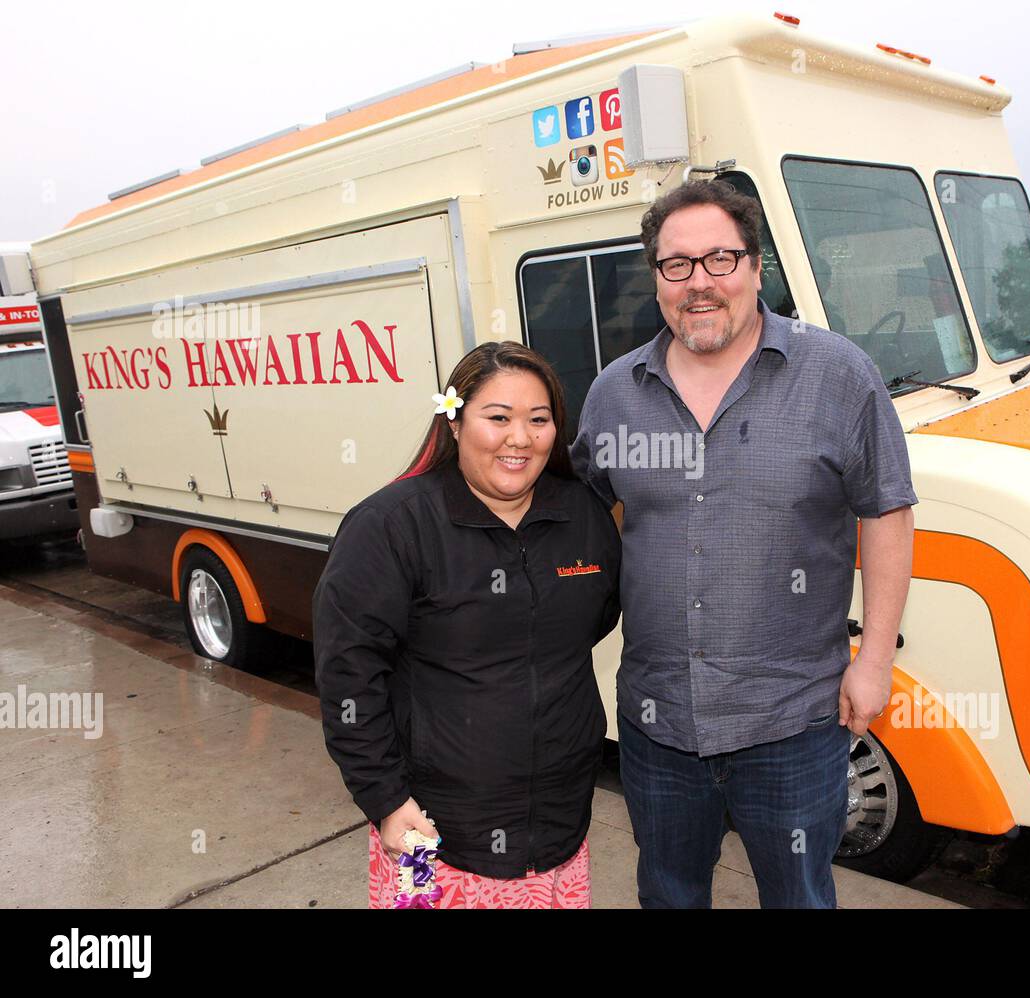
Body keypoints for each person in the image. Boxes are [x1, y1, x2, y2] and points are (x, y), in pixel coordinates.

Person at [571, 180, 917, 908]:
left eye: (720, 259)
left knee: (798, 897)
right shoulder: (614, 393)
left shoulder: (838, 377)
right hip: (658, 724)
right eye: (677, 264)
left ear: (757, 268)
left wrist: (875, 659)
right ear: (657, 278)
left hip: (792, 723)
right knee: (668, 894)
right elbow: (579, 517)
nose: (700, 282)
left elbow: (886, 511)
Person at [313, 341, 621, 908]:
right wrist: (384, 798)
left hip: (559, 828)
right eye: (497, 418)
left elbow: (591, 621)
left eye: (539, 419)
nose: (520, 438)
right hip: (433, 832)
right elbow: (348, 673)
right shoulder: (390, 525)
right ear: (454, 423)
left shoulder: (582, 516)